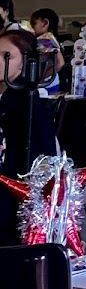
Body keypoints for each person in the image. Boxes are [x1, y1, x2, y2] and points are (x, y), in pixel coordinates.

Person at [0, 29, 58, 244]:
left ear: (24, 64)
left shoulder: (26, 105)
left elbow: (41, 163)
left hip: (15, 209)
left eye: (6, 56)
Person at [29, 8, 64, 89]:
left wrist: (42, 75)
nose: (31, 27)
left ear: (45, 23)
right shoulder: (41, 39)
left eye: (33, 24)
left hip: (48, 83)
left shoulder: (47, 40)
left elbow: (60, 63)